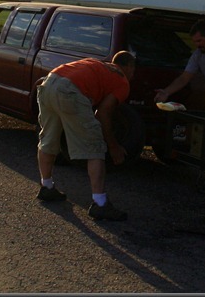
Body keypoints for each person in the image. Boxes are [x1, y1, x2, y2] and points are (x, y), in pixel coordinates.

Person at [35, 50, 135, 221]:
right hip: (70, 91)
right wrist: (113, 146)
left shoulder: (98, 64)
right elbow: (103, 113)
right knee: (95, 147)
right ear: (130, 67)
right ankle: (100, 203)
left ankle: (47, 186)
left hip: (49, 82)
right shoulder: (122, 80)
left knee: (48, 138)